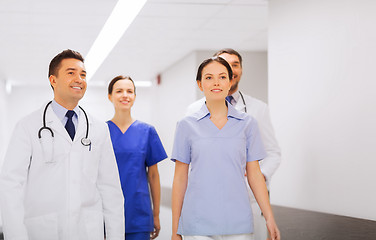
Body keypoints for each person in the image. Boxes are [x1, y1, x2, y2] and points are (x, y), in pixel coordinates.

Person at [0, 49, 125, 240]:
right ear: (53, 80)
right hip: (43, 231)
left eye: (83, 74)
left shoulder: (99, 129)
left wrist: (116, 236)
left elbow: (111, 190)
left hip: (88, 232)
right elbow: (10, 186)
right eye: (71, 73)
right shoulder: (28, 126)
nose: (79, 79)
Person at [171, 56, 280, 240]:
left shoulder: (248, 124)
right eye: (208, 77)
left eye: (222, 77)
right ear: (200, 84)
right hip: (198, 220)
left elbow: (254, 174)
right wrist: (175, 230)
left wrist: (269, 217)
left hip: (237, 220)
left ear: (230, 82)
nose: (216, 82)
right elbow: (180, 178)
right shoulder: (186, 125)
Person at [107, 75, 167, 240]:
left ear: (134, 97)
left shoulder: (147, 131)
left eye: (129, 91)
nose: (125, 95)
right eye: (119, 91)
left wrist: (156, 214)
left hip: (139, 213)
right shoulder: (101, 132)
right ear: (110, 96)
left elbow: (154, 176)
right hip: (108, 213)